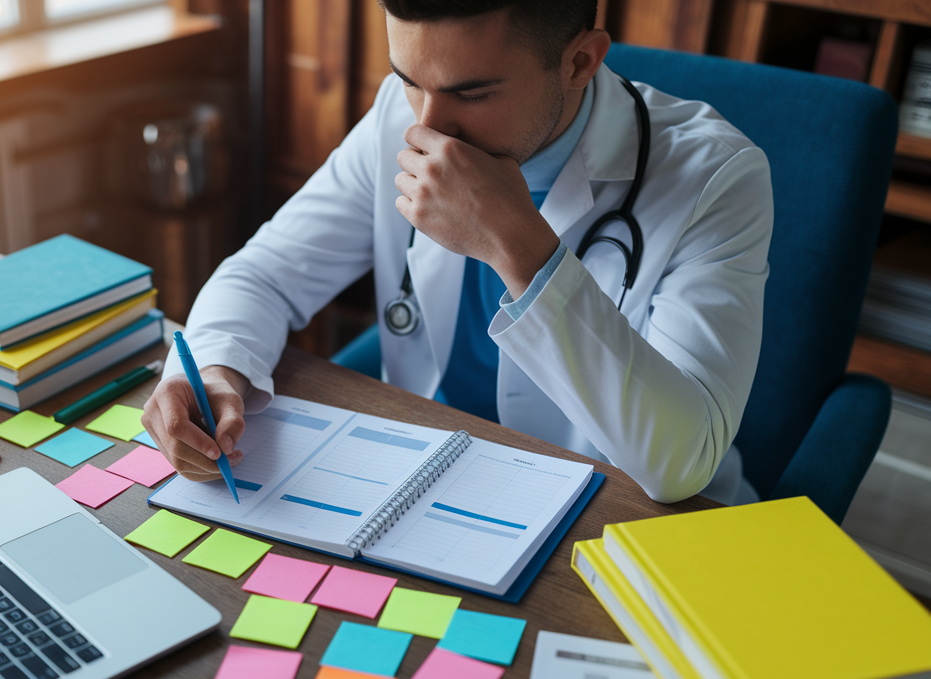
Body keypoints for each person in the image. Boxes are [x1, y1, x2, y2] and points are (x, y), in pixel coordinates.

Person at [142, 0, 772, 506]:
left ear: (580, 61)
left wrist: (517, 244)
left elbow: (680, 464)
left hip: (619, 521)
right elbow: (267, 272)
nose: (430, 127)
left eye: (472, 94)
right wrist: (215, 371)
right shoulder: (401, 112)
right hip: (433, 485)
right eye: (409, 79)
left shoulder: (715, 177)